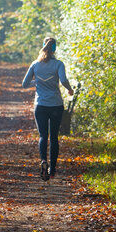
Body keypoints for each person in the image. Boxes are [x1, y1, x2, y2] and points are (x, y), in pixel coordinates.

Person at [22, 37, 74, 181]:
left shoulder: (35, 64)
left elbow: (25, 84)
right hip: (56, 105)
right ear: (54, 49)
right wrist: (69, 89)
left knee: (43, 136)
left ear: (43, 46)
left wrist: (37, 81)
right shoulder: (58, 64)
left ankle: (43, 160)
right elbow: (63, 80)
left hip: (40, 105)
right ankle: (52, 169)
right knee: (54, 137)